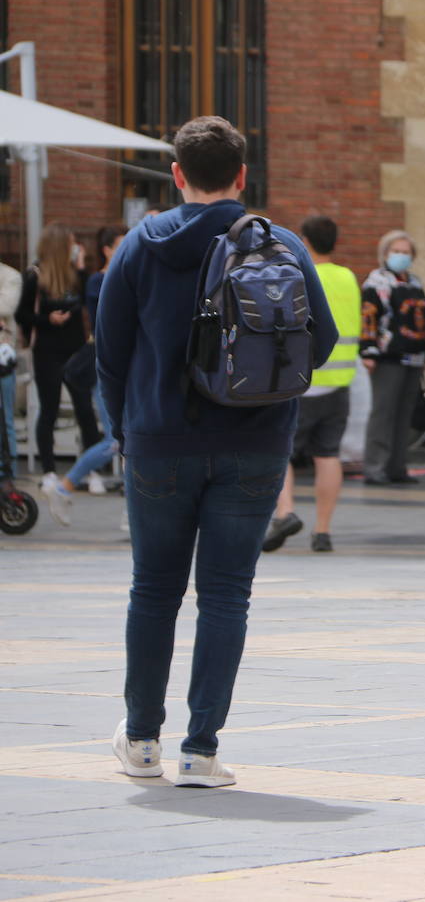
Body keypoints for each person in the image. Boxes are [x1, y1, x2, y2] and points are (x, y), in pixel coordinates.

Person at [96, 115, 338, 787]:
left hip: (159, 441)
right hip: (256, 444)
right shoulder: (279, 242)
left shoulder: (138, 249)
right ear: (242, 175)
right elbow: (320, 343)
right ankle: (201, 751)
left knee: (154, 590)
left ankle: (142, 740)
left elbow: (109, 357)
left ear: (176, 176)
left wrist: (125, 431)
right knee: (227, 595)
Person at [262, 216, 361, 554]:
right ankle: (323, 531)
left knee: (282, 451)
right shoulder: (349, 277)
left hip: (303, 381)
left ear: (303, 240)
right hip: (340, 381)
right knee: (328, 454)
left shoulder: (301, 274)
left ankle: (285, 512)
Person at [41, 225, 128, 525]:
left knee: (127, 438)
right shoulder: (99, 281)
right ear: (107, 249)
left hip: (123, 368)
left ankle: (131, 510)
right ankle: (65, 487)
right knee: (118, 439)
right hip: (106, 370)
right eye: (122, 244)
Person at [16, 223, 101, 483]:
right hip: (48, 352)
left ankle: (91, 468)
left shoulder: (79, 276)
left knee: (85, 409)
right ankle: (50, 471)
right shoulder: (35, 276)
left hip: (76, 350)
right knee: (49, 409)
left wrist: (81, 265)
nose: (75, 247)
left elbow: (94, 300)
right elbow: (22, 314)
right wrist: (47, 318)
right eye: (71, 242)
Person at [360, 229, 425, 485]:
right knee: (383, 412)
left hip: (414, 357)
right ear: (385, 254)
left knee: (404, 415)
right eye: (396, 251)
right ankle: (375, 467)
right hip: (388, 357)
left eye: (406, 252)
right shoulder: (376, 282)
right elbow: (368, 318)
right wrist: (368, 350)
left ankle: (397, 467)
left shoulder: (415, 283)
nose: (401, 256)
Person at [0, 260, 21, 475]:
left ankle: (9, 475)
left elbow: (7, 306)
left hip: (3, 361)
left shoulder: (10, 276)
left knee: (6, 419)